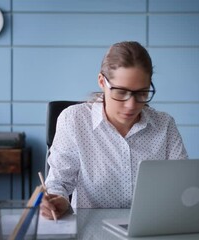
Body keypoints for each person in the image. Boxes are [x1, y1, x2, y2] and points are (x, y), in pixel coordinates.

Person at [41, 41, 188, 220]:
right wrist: (58, 201)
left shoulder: (164, 124)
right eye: (121, 92)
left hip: (151, 227)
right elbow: (58, 183)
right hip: (92, 231)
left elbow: (182, 185)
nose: (131, 105)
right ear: (102, 82)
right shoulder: (74, 120)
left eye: (142, 93)